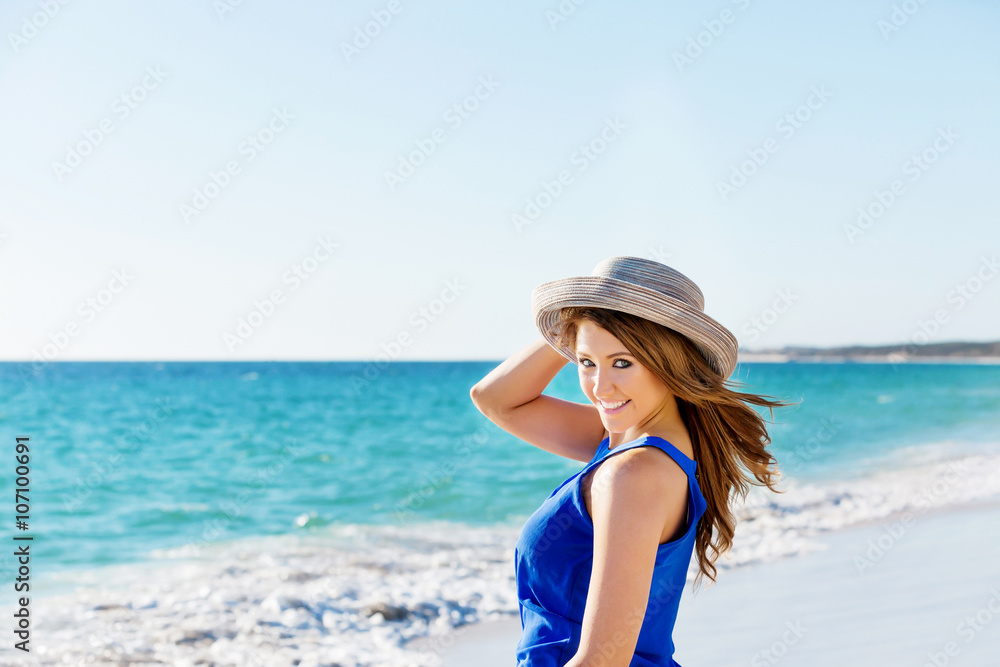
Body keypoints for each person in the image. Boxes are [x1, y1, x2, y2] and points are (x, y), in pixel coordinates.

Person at [469, 256, 795, 666]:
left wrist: (590, 314)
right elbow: (495, 400)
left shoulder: (633, 472)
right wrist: (579, 316)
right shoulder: (627, 442)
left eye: (622, 362)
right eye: (586, 363)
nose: (600, 386)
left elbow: (601, 661)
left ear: (672, 362)